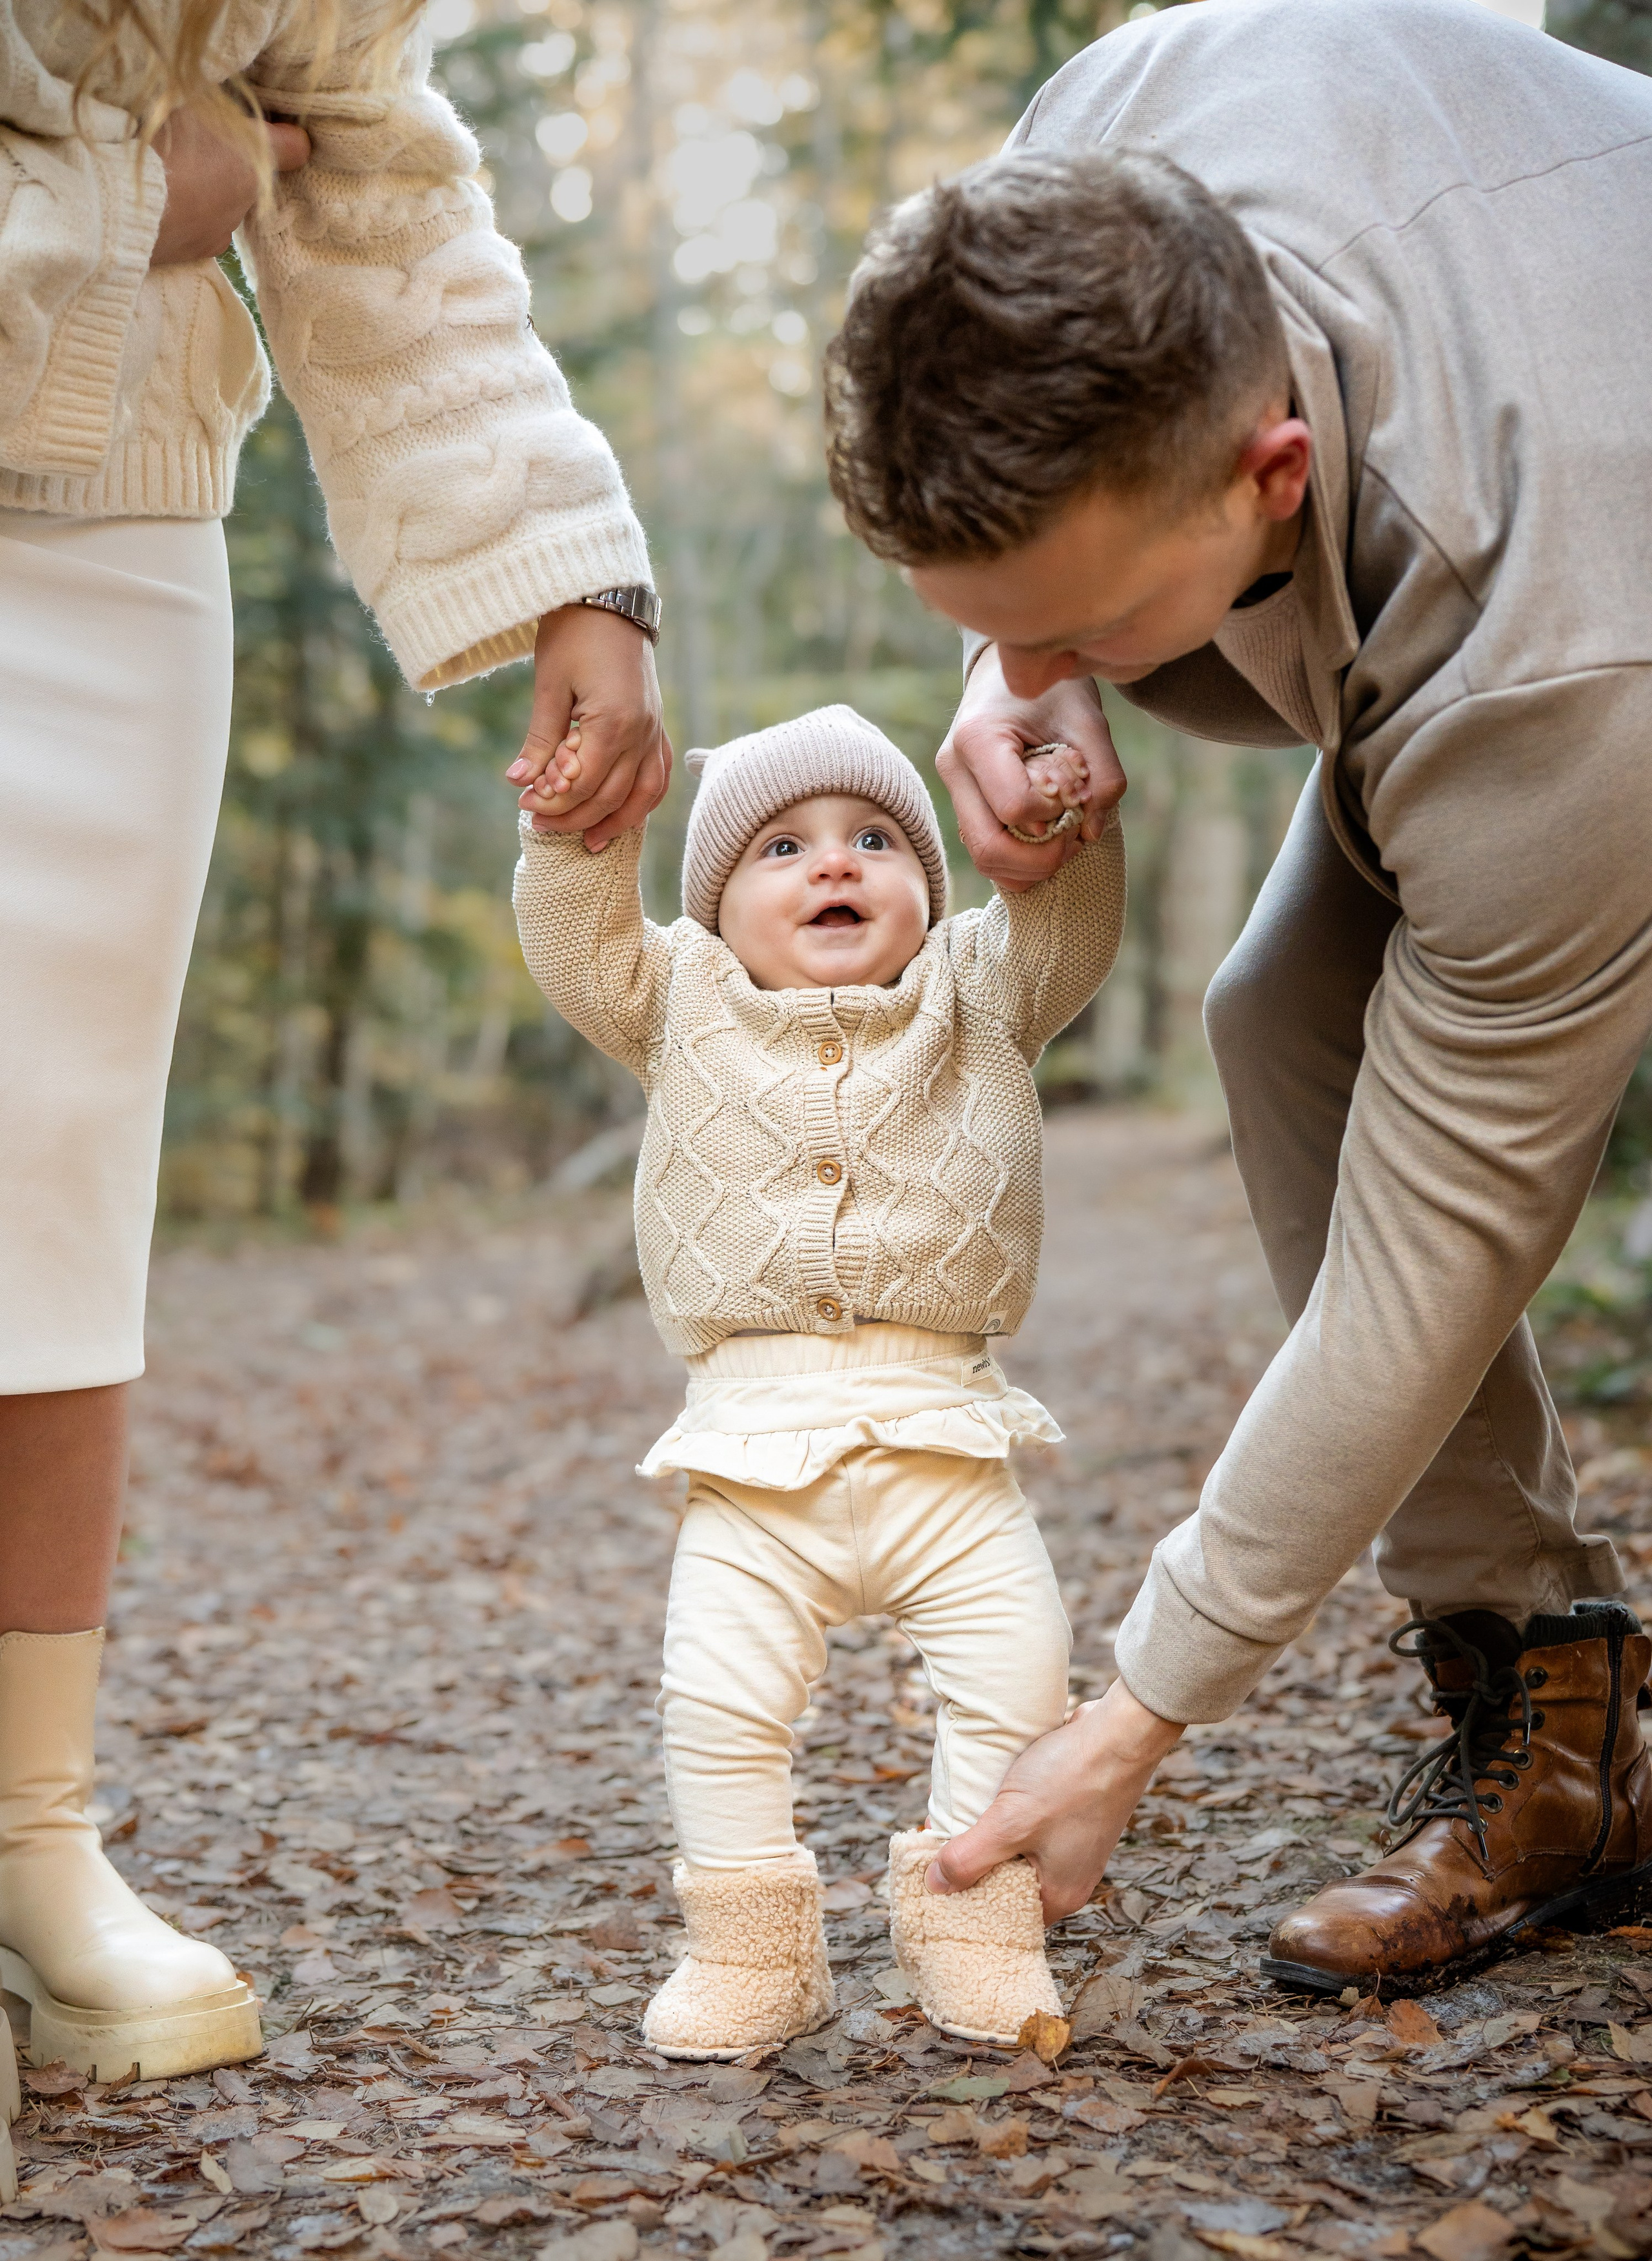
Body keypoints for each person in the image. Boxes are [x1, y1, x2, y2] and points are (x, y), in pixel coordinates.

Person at [819, 0, 1652, 1992]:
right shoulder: (1091, 151)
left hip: (1592, 584)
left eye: (1087, 627)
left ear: (1270, 473)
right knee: (1281, 1014)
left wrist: (1136, 1716)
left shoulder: (1545, 648)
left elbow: (1434, 1248)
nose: (1044, 672)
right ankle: (1561, 1703)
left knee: (1415, 1166)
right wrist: (1014, 669)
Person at [0, 0, 667, 2080]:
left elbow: (368, 142)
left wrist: (578, 567)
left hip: (119, 511)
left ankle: (28, 1838)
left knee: (60, 1172)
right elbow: (187, 166)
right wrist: (133, 193)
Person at [512, 706, 1123, 2055]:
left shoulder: (979, 987)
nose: (834, 863)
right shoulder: (680, 996)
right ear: (717, 909)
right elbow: (574, 944)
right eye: (781, 848)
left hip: (946, 1438)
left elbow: (1069, 926)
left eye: (874, 839)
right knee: (717, 1710)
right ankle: (751, 1954)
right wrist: (576, 828)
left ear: (931, 884)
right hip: (749, 1453)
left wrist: (1055, 822)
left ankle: (975, 1927)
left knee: (1019, 1680)